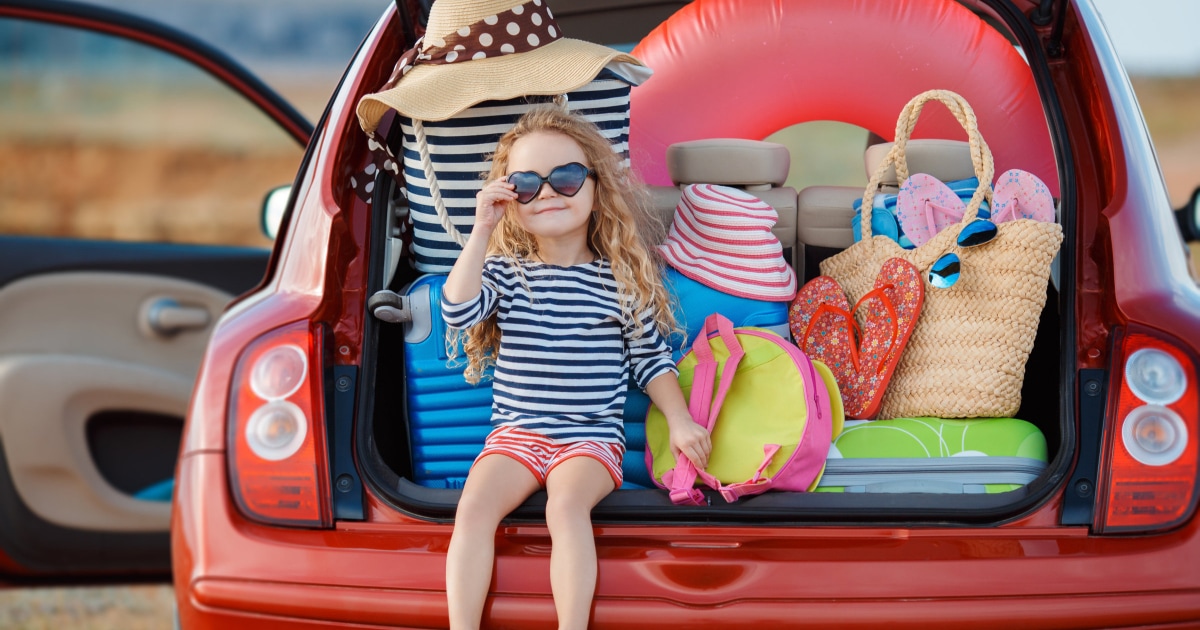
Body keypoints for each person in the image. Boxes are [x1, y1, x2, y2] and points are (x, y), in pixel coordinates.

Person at [441, 106, 712, 630]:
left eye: (564, 178)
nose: (546, 193)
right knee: (473, 508)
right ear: (509, 199)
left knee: (564, 508)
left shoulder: (617, 280)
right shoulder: (505, 272)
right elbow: (456, 309)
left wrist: (679, 420)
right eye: (525, 184)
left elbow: (651, 361)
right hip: (516, 436)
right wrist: (480, 230)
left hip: (589, 439)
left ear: (595, 188)